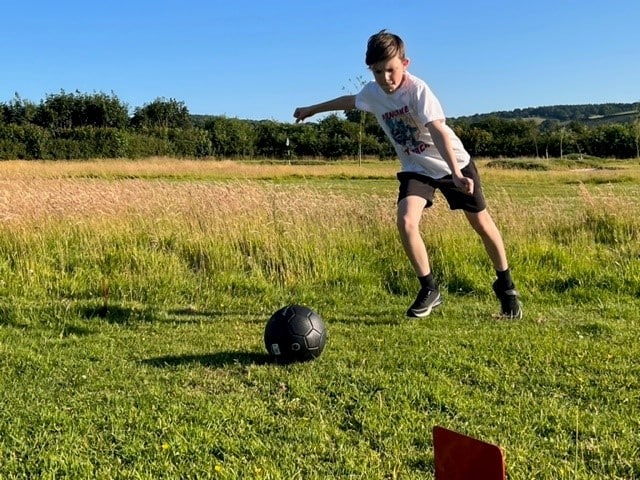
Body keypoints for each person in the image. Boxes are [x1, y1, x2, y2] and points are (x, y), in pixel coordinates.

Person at [293, 29, 522, 319]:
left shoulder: (417, 91)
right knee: (405, 220)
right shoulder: (373, 94)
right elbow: (349, 101)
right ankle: (429, 288)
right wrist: (312, 109)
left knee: (482, 225)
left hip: (454, 164)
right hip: (417, 168)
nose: (385, 78)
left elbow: (438, 131)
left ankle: (507, 288)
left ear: (405, 64)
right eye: (377, 72)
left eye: (391, 70)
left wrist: (455, 173)